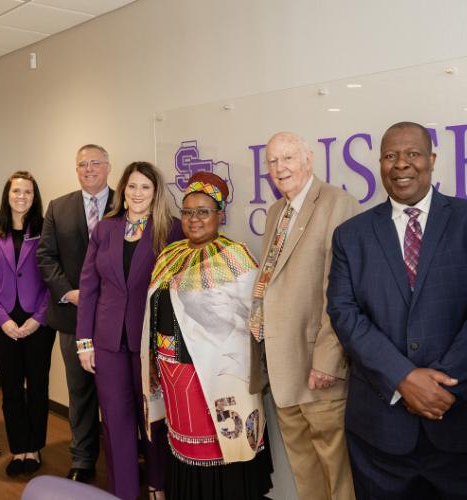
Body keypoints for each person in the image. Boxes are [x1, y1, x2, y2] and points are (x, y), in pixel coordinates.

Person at [327, 122, 467, 499]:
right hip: (382, 439)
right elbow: (344, 313)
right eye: (390, 156)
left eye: (412, 154)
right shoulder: (351, 236)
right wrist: (403, 378)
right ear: (379, 164)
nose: (402, 165)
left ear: (431, 160)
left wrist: (447, 383)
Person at [144, 172, 273, 499]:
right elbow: (154, 310)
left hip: (220, 375)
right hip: (175, 372)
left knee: (222, 445)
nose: (194, 219)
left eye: (203, 211)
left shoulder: (235, 257)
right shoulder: (169, 255)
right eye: (187, 212)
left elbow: (252, 319)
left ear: (220, 215)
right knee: (185, 446)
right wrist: (150, 359)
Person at [248, 132, 359, 500]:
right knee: (304, 472)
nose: (280, 169)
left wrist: (328, 360)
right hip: (283, 368)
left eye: (288, 159)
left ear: (308, 159)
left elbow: (342, 291)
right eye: (273, 162)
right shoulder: (278, 210)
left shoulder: (336, 203)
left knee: (339, 475)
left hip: (318, 369)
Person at [75, 161, 184, 500]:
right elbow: (88, 287)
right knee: (116, 419)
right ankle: (121, 490)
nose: (138, 194)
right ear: (122, 190)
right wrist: (84, 342)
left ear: (156, 193)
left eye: (145, 188)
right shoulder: (105, 230)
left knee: (152, 416)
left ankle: (157, 481)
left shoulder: (171, 229)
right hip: (107, 341)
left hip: (150, 340)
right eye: (132, 187)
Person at [37, 144, 113, 482]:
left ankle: (120, 457)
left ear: (108, 167)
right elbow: (45, 256)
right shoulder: (59, 207)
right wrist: (68, 292)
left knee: (117, 394)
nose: (88, 169)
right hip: (72, 319)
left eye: (95, 162)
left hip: (116, 320)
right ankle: (82, 459)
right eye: (82, 164)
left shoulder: (126, 202)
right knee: (79, 392)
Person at [0, 171, 54, 476]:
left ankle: (35, 447)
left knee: (37, 386)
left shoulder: (46, 232)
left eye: (28, 192)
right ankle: (19, 448)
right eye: (16, 191)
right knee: (10, 387)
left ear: (35, 198)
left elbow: (52, 280)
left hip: (38, 322)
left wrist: (38, 319)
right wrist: (2, 320)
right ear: (7, 196)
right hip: (1, 323)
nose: (21, 197)